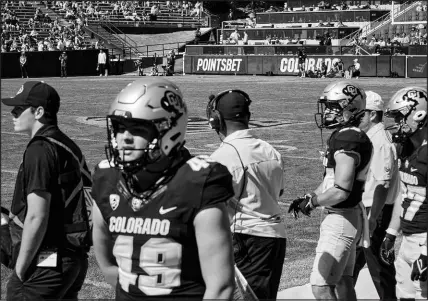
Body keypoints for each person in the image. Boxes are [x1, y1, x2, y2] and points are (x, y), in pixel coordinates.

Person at [91, 78, 235, 300]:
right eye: (119, 128)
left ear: (169, 130)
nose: (125, 138)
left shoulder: (196, 182)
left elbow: (220, 288)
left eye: (137, 129)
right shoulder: (107, 179)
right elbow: (109, 267)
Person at [1, 81, 92, 301]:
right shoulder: (66, 144)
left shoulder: (40, 149)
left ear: (39, 112)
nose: (13, 113)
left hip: (48, 262)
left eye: (19, 109)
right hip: (73, 258)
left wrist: (21, 271)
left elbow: (36, 216)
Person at [289, 81, 372, 301]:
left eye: (332, 107)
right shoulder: (346, 134)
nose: (326, 112)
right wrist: (309, 197)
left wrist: (314, 202)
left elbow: (341, 190)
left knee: (321, 286)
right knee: (344, 284)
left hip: (341, 218)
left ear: (349, 108)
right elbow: (330, 181)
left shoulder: (349, 138)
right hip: (347, 216)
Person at [207, 90, 287, 300]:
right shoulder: (271, 150)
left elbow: (212, 207)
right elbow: (279, 191)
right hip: (275, 238)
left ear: (216, 120)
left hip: (247, 241)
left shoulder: (223, 156)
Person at [381, 86, 427, 300]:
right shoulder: (406, 148)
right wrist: (391, 234)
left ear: (419, 114)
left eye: (401, 117)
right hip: (407, 240)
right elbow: (404, 194)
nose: (397, 123)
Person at [352, 91, 399, 300]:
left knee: (379, 267)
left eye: (361, 114)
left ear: (372, 115)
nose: (357, 118)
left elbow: (383, 184)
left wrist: (371, 219)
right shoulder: (374, 137)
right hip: (368, 209)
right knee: (352, 263)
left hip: (375, 210)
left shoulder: (379, 141)